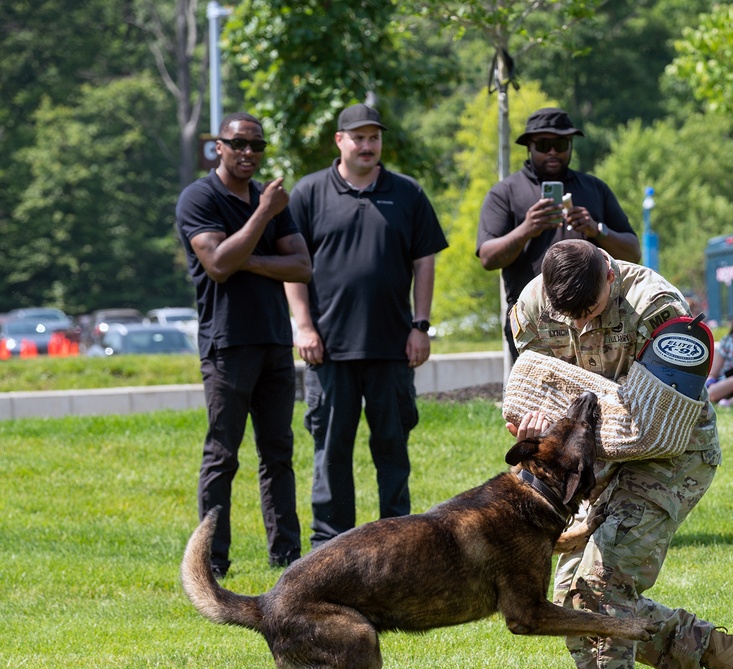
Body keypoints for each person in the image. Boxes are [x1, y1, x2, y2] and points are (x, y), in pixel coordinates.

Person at [508, 239, 733, 669]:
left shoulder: (661, 310)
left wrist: (573, 421)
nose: (581, 326)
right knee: (566, 596)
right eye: (570, 318)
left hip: (671, 455)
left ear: (610, 273)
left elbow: (654, 431)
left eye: (594, 312)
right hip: (595, 461)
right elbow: (534, 391)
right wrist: (535, 426)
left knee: (597, 588)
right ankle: (725, 653)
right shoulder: (531, 307)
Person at [285, 103, 449, 547]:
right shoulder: (309, 193)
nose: (367, 145)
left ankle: (399, 544)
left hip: (393, 347)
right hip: (329, 349)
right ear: (340, 141)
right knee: (331, 453)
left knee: (393, 451)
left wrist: (421, 325)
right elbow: (293, 266)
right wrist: (303, 326)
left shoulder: (408, 193)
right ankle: (328, 546)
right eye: (358, 137)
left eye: (374, 137)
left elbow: (425, 262)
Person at [175, 112, 311, 578]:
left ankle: (286, 555)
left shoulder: (270, 199)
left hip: (274, 340)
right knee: (223, 454)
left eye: (257, 145)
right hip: (227, 343)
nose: (249, 153)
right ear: (219, 146)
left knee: (279, 452)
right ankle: (213, 560)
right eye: (239, 144)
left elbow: (301, 267)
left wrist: (245, 258)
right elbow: (216, 264)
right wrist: (262, 217)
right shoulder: (201, 198)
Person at [477, 107, 641, 361]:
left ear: (571, 146)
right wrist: (527, 229)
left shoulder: (594, 188)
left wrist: (596, 229)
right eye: (544, 145)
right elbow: (488, 257)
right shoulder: (505, 193)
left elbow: (633, 252)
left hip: (595, 315)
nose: (553, 151)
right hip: (533, 316)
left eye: (561, 143)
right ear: (529, 147)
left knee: (596, 394)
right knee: (538, 395)